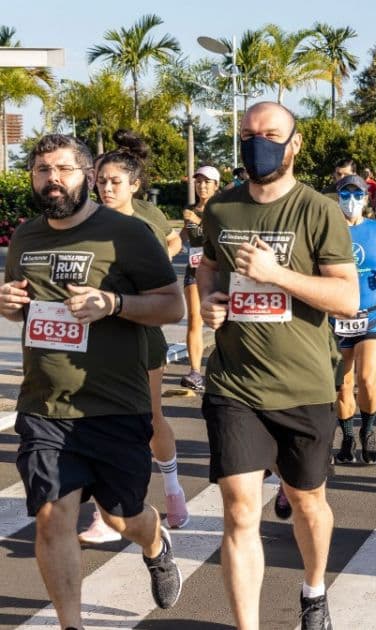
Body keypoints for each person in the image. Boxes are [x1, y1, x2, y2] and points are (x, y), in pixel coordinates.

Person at [1, 133, 185, 628]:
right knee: (51, 517)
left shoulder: (124, 234)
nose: (52, 179)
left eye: (63, 169)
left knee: (124, 516)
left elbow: (172, 304)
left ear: (85, 174)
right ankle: (71, 625)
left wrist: (114, 303)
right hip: (45, 405)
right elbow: (25, 307)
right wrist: (8, 306)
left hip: (114, 403)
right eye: (42, 170)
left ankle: (156, 542)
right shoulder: (26, 237)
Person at [197, 102, 359, 630]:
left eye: (269, 134)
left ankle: (314, 590)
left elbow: (347, 297)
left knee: (307, 501)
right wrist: (210, 302)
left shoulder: (318, 210)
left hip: (304, 384)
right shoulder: (221, 210)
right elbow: (210, 270)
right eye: (247, 134)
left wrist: (277, 274)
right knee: (241, 508)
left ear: (295, 143)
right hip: (234, 382)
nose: (256, 143)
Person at [78, 130, 189, 544]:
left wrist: (117, 301)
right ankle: (105, 515)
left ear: (135, 185)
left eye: (115, 181)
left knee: (149, 420)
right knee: (97, 423)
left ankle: (174, 491)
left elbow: (163, 285)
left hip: (142, 337)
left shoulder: (144, 223)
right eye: (101, 180)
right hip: (92, 341)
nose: (106, 188)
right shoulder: (84, 220)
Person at [330, 175, 376, 466]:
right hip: (337, 317)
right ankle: (347, 437)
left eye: (356, 194)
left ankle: (367, 431)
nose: (351, 200)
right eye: (345, 195)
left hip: (372, 314)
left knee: (366, 379)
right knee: (342, 385)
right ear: (338, 198)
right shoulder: (328, 231)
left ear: (366, 198)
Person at [181, 166, 222, 392]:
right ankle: (195, 372)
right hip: (194, 268)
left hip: (219, 270)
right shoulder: (188, 210)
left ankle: (225, 368)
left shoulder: (222, 209)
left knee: (223, 321)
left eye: (207, 182)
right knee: (195, 318)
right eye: (199, 181)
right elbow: (181, 238)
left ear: (216, 185)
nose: (202, 186)